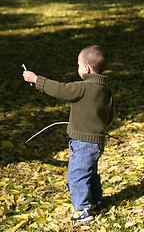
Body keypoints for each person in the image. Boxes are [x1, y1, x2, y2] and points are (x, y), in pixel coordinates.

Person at [23, 45, 115, 223]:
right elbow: (110, 115)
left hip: (82, 142)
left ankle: (82, 210)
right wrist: (100, 130)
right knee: (91, 173)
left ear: (86, 68)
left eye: (79, 65)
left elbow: (60, 89)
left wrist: (36, 80)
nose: (78, 69)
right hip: (98, 142)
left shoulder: (82, 87)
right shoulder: (106, 90)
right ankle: (97, 202)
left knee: (77, 175)